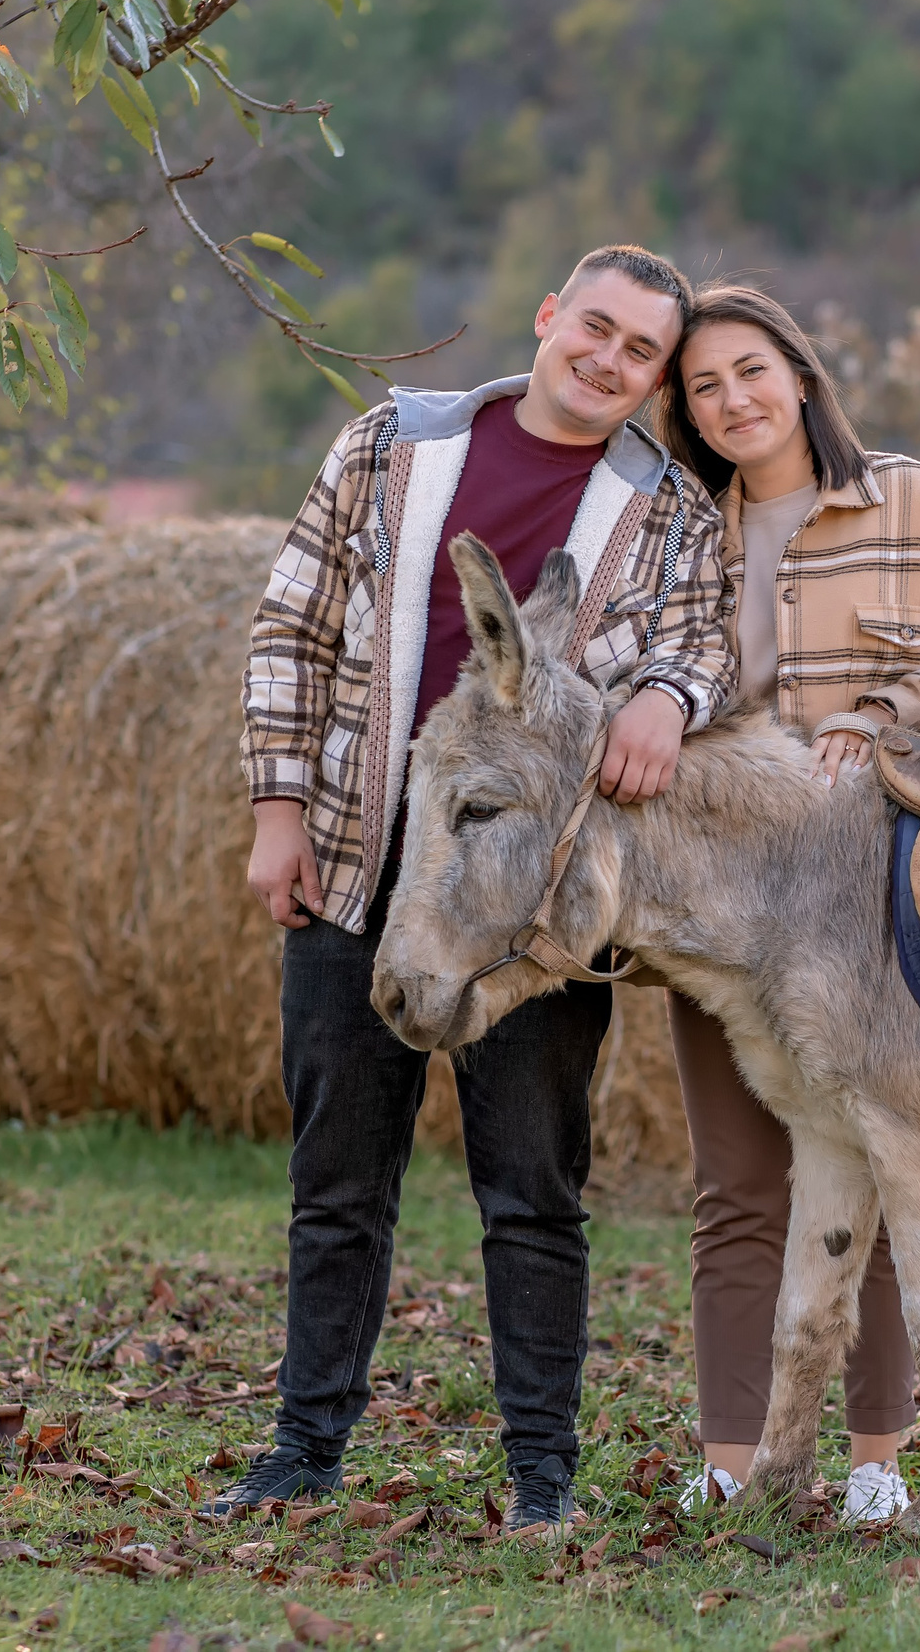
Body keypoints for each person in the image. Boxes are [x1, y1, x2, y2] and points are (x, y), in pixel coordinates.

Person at [216, 246, 736, 1529]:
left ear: (655, 377)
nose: (607, 361)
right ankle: (302, 1452)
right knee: (337, 1179)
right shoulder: (394, 445)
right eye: (595, 329)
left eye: (640, 354)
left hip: (531, 900)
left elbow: (702, 637)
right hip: (360, 854)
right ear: (550, 317)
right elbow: (293, 620)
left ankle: (541, 1482)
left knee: (533, 1190)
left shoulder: (667, 508)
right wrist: (278, 810)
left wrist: (670, 698)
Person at [654, 284, 920, 1524]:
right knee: (734, 1185)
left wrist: (878, 726)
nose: (732, 402)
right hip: (733, 908)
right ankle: (731, 1457)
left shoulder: (908, 500)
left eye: (751, 371)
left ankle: (878, 1460)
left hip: (886, 900)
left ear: (802, 374)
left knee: (883, 1156)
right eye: (704, 386)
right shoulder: (675, 531)